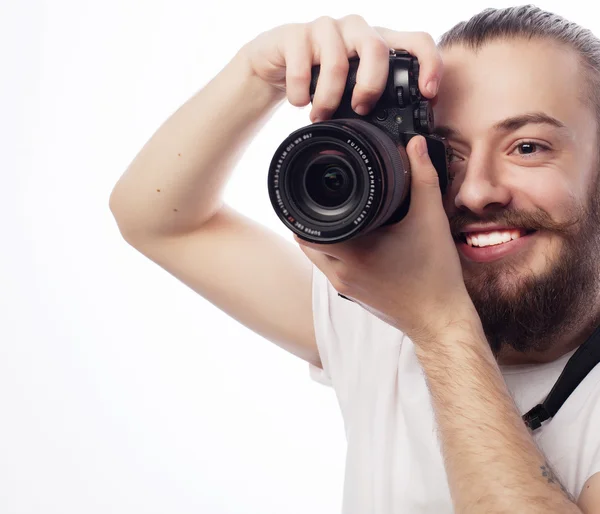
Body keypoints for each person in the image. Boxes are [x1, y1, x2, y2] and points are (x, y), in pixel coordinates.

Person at [109, 4, 600, 513]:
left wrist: (440, 326)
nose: (475, 192)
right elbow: (158, 220)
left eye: (526, 146)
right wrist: (260, 74)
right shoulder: (388, 313)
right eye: (447, 154)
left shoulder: (420, 312)